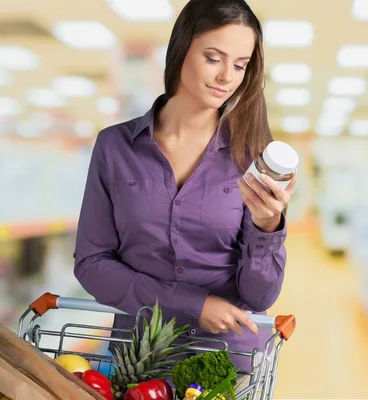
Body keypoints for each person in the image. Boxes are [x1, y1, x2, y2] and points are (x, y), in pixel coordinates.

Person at [73, 0, 295, 377]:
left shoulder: (250, 156)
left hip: (227, 365)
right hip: (137, 362)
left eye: (240, 65)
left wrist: (268, 227)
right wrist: (194, 305)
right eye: (214, 58)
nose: (227, 76)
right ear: (182, 49)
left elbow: (260, 297)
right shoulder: (115, 147)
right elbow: (92, 264)